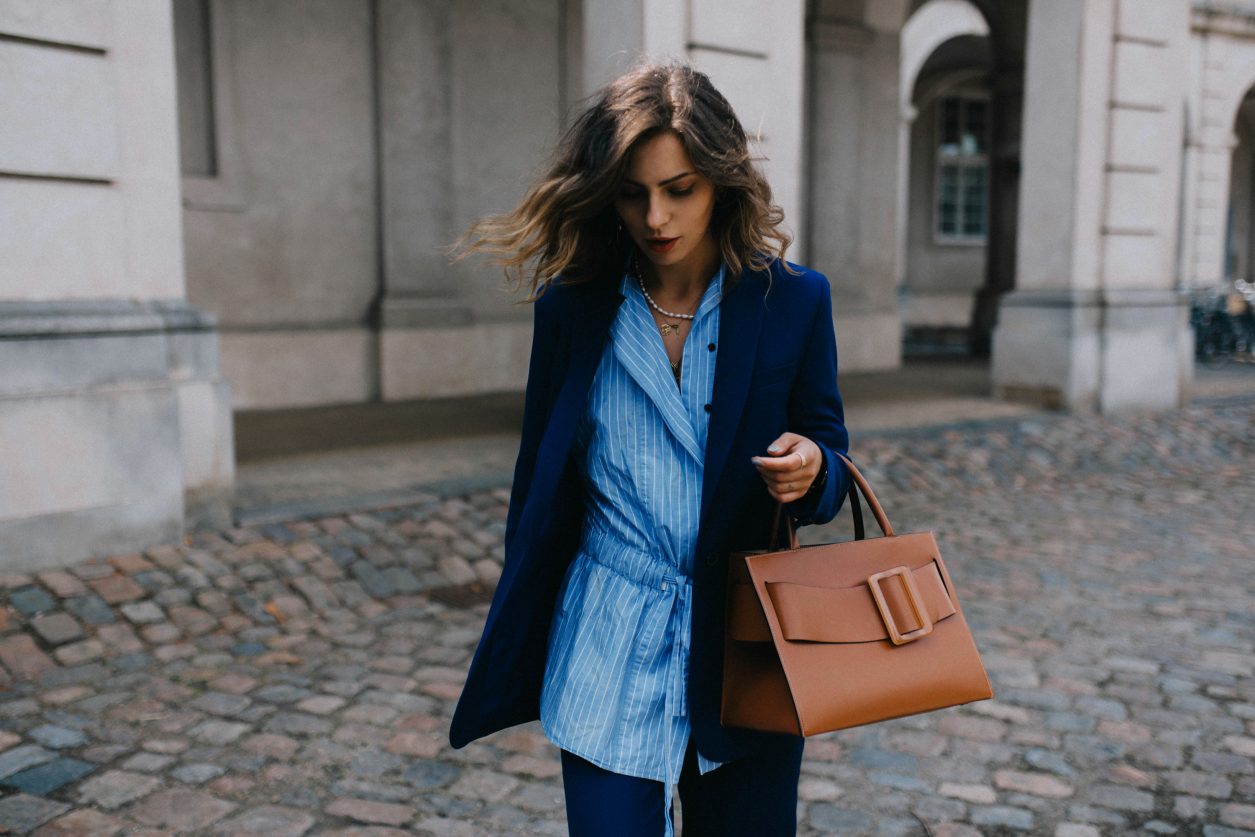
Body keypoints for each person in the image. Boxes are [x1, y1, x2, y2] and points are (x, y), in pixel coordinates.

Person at [448, 60, 852, 837]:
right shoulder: (571, 308)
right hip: (606, 630)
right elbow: (538, 480)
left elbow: (829, 450)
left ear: (721, 183)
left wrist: (812, 469)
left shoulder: (793, 300)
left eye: (680, 189)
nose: (655, 216)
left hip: (746, 646)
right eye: (633, 192)